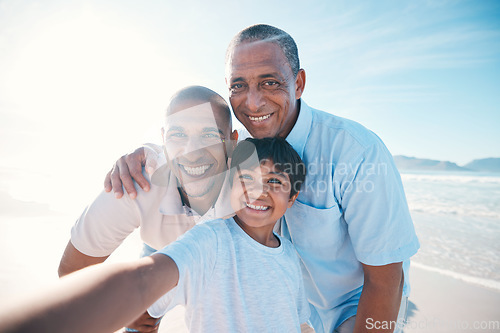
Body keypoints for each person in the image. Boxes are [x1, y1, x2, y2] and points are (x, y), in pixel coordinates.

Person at [109, 24, 420, 333]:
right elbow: (183, 185)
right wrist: (145, 156)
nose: (253, 102)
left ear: (298, 83)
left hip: (353, 310)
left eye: (270, 83)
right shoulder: (233, 149)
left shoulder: (356, 153)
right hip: (279, 311)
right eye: (239, 85)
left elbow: (386, 281)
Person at [0, 137, 309, 333]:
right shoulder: (210, 241)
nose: (259, 191)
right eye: (246, 179)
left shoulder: (291, 257)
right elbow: (143, 281)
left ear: (293, 196)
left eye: (275, 182)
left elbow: (300, 322)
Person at [58, 85, 238, 332]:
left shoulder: (256, 185)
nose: (193, 153)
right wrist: (116, 310)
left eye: (209, 135)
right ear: (163, 139)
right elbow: (72, 272)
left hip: (223, 253)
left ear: (233, 143)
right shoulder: (135, 183)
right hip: (160, 241)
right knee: (138, 316)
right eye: (178, 135)